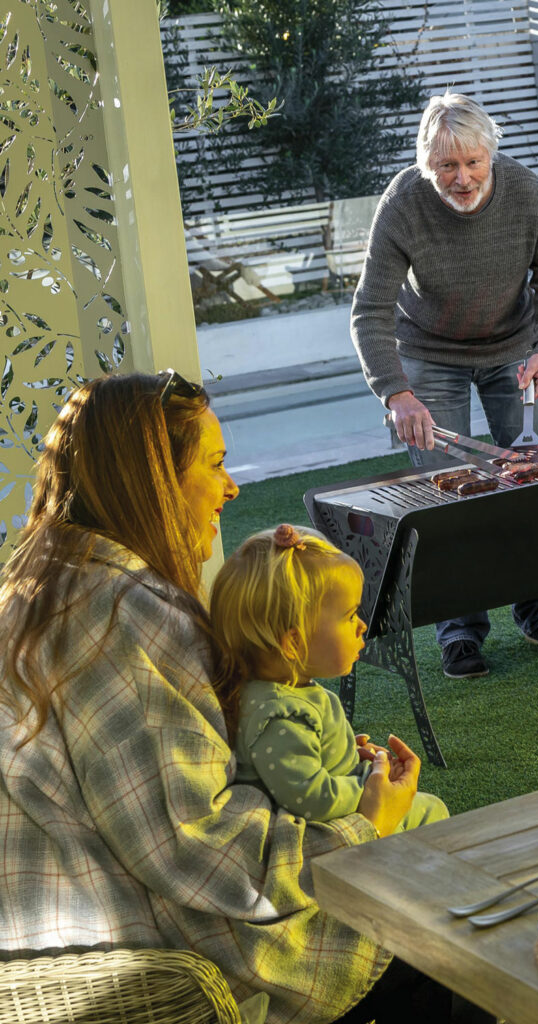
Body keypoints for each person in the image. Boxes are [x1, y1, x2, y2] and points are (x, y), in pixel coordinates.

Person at [0, 371, 485, 1024]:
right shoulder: (125, 615)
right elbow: (198, 848)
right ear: (155, 483)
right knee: (446, 932)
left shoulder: (39, 582)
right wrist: (366, 821)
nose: (232, 486)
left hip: (70, 943)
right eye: (215, 465)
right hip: (161, 962)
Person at [351, 90, 538, 681]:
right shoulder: (402, 204)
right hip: (430, 355)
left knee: (529, 482)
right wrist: (395, 392)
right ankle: (459, 632)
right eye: (447, 166)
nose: (462, 178)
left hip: (513, 351)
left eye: (473, 162)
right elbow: (371, 308)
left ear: (491, 156)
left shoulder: (524, 191)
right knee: (445, 496)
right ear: (427, 165)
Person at [210, 522, 448, 830]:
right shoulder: (279, 716)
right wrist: (371, 784)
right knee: (431, 812)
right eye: (349, 616)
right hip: (330, 831)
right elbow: (311, 797)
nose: (361, 626)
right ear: (293, 643)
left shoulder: (286, 693)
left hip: (342, 807)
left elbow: (304, 763)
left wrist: (345, 753)